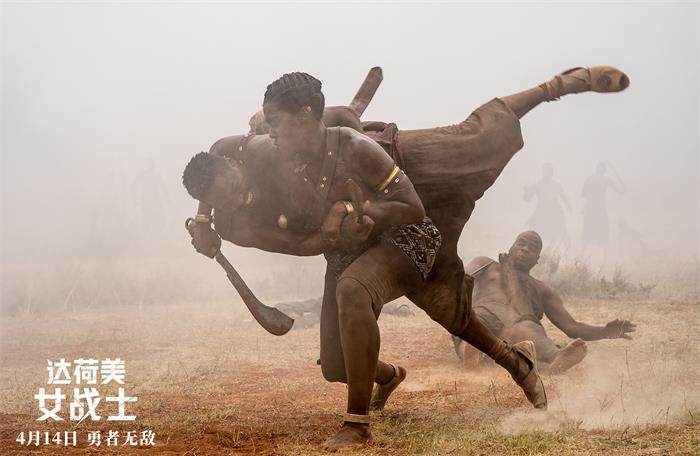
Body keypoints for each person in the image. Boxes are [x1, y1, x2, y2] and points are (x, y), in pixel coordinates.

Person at [183, 65, 629, 450]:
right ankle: (476, 367)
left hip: (406, 212)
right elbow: (225, 176)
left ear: (303, 116)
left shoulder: (347, 146)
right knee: (357, 354)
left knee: (473, 141)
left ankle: (356, 425)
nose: (273, 135)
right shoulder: (254, 164)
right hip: (352, 241)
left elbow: (408, 205)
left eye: (280, 124)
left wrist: (363, 210)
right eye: (269, 126)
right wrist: (205, 220)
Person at [452, 231, 636, 373]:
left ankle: (557, 358)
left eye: (531, 248)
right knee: (474, 322)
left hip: (518, 328)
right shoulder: (487, 264)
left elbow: (572, 326)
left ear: (537, 259)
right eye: (521, 243)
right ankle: (471, 354)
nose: (524, 249)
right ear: (512, 246)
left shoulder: (541, 289)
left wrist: (605, 332)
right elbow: (459, 278)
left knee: (531, 328)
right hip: (485, 314)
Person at [524, 163, 570, 246]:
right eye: (546, 171)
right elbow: (527, 198)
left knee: (562, 231)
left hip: (554, 212)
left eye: (549, 172)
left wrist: (569, 207)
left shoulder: (556, 185)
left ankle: (567, 248)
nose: (547, 174)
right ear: (543, 172)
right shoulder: (538, 184)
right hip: (541, 212)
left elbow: (564, 197)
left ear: (552, 173)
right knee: (533, 232)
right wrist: (526, 192)